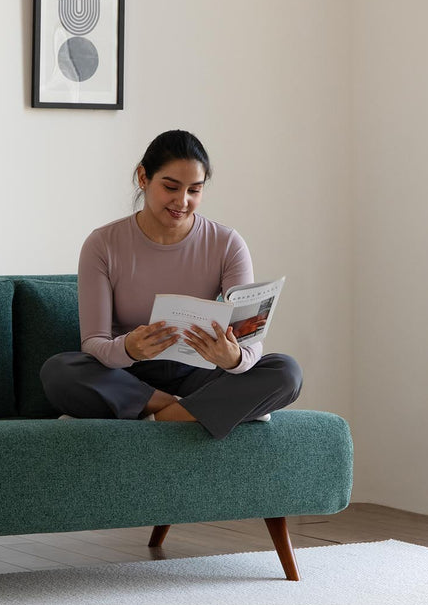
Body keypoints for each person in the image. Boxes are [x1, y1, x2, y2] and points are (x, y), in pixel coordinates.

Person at [39, 130, 302, 439]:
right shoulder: (102, 244)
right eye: (171, 187)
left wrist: (233, 359)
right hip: (129, 375)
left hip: (200, 372)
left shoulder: (227, 244)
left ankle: (154, 418)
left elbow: (249, 343)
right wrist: (129, 348)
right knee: (58, 372)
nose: (183, 201)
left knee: (287, 373)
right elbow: (94, 343)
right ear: (143, 178)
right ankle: (194, 410)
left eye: (195, 190)